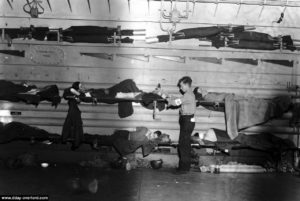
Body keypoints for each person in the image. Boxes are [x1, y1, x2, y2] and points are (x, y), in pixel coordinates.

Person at [167, 76, 196, 173]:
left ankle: (183, 169)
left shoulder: (188, 95)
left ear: (187, 85)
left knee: (183, 145)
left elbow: (176, 102)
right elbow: (179, 99)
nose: (180, 88)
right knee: (184, 144)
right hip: (186, 120)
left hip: (187, 121)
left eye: (181, 86)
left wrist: (168, 100)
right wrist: (169, 97)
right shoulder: (188, 95)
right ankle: (184, 167)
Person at [62, 82, 85, 150]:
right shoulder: (72, 90)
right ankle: (76, 143)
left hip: (73, 110)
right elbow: (79, 95)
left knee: (69, 124)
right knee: (76, 126)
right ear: (76, 86)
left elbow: (78, 98)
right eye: (80, 86)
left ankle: (66, 140)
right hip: (74, 111)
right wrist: (76, 96)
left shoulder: (72, 91)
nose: (81, 87)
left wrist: (76, 97)